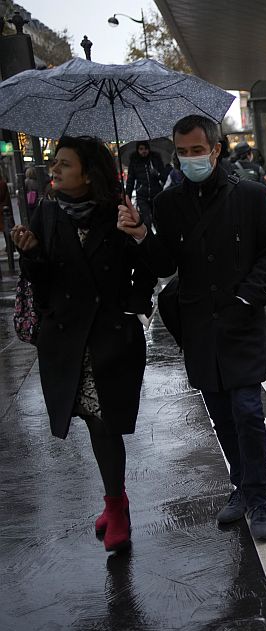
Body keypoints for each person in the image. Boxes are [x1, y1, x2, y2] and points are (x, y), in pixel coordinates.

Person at [117, 114, 266, 542]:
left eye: (198, 150)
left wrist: (248, 294)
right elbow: (165, 264)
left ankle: (259, 496)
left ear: (216, 149)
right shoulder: (170, 203)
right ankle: (240, 487)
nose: (190, 158)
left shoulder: (249, 195)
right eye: (183, 151)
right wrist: (140, 235)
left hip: (241, 321)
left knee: (247, 411)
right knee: (222, 416)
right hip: (198, 327)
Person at [11, 136, 156, 553]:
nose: (53, 171)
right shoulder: (48, 212)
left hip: (110, 338)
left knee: (103, 421)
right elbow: (42, 281)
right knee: (94, 422)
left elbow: (153, 267)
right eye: (54, 164)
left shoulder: (120, 213)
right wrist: (31, 253)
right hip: (66, 340)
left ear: (88, 174)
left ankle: (116, 507)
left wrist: (136, 303)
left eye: (64, 165)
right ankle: (115, 504)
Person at [124, 141, 167, 229]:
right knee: (146, 220)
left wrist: (157, 173)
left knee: (158, 220)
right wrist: (127, 195)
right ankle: (148, 239)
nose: (144, 151)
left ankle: (160, 240)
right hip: (142, 196)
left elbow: (164, 177)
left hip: (156, 194)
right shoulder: (134, 162)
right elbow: (130, 180)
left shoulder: (155, 159)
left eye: (146, 149)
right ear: (137, 150)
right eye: (141, 149)